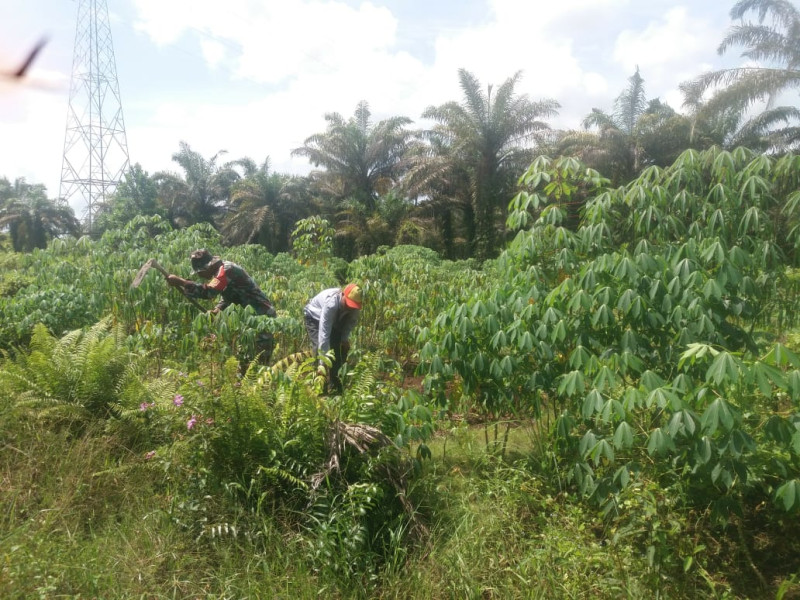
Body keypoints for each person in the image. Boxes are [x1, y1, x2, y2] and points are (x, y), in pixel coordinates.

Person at [166, 249, 277, 365]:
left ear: (208, 267)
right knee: (246, 358)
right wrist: (218, 309)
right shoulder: (221, 271)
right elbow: (229, 296)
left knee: (259, 360)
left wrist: (181, 282)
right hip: (249, 319)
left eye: (200, 272)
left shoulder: (226, 270)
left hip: (262, 316)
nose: (200, 275)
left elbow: (209, 292)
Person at [303, 283, 363, 393]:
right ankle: (319, 387)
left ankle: (336, 386)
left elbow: (350, 324)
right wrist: (322, 363)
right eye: (348, 304)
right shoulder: (331, 304)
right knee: (319, 349)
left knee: (337, 350)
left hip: (334, 320)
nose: (350, 307)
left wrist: (344, 339)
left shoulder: (354, 308)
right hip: (314, 317)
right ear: (343, 295)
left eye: (353, 306)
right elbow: (324, 334)